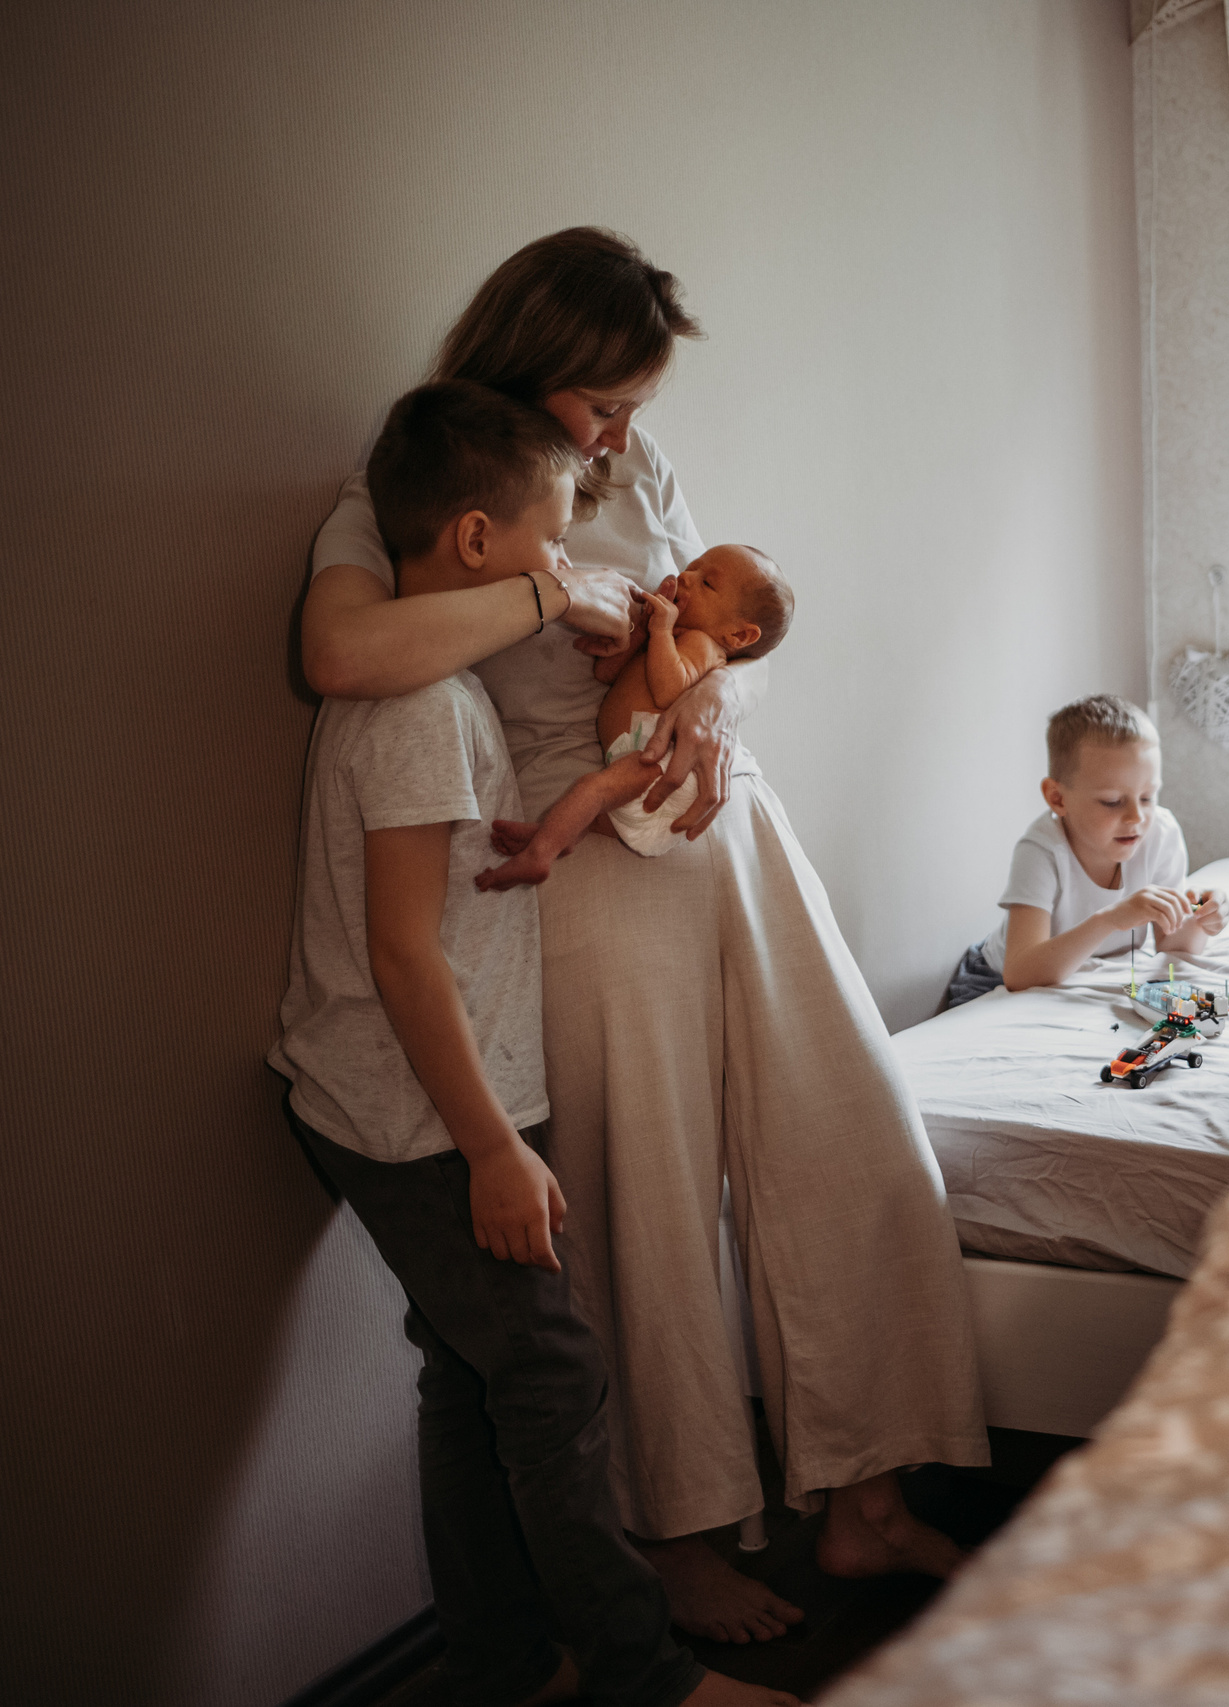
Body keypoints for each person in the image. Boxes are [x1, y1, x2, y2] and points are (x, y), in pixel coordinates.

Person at [302, 228, 982, 1647]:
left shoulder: (633, 472)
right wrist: (556, 595)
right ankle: (669, 1537)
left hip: (726, 829)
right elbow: (344, 656)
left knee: (860, 1137)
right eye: (603, 402)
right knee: (649, 1213)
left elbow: (727, 624)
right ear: (533, 361)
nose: (620, 437)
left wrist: (713, 708)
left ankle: (864, 1489)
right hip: (581, 863)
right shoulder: (406, 490)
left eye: (636, 411)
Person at [270, 382, 795, 1707]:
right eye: (555, 540)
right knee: (552, 1370)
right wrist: (495, 1145)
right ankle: (644, 1675)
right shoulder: (417, 713)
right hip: (413, 1114)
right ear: (471, 544)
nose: (567, 566)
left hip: (452, 1093)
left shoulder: (444, 697)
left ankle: (504, 1657)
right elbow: (401, 955)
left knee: (473, 1367)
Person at [479, 544, 792, 889]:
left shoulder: (702, 645)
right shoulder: (670, 640)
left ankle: (540, 854)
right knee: (595, 807)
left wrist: (659, 633)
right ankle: (556, 834)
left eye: (707, 584)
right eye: (692, 567)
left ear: (738, 634)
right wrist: (642, 632)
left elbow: (669, 691)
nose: (686, 577)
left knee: (592, 790)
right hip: (640, 764)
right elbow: (606, 673)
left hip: (662, 762)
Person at [943, 695, 1229, 1008]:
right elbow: (1019, 973)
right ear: (1058, 798)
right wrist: (1110, 919)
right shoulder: (1042, 850)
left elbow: (1173, 946)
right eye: (1111, 801)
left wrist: (1203, 919)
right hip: (993, 978)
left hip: (1086, 974)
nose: (1136, 817)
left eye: (1148, 797)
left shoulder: (1160, 833)